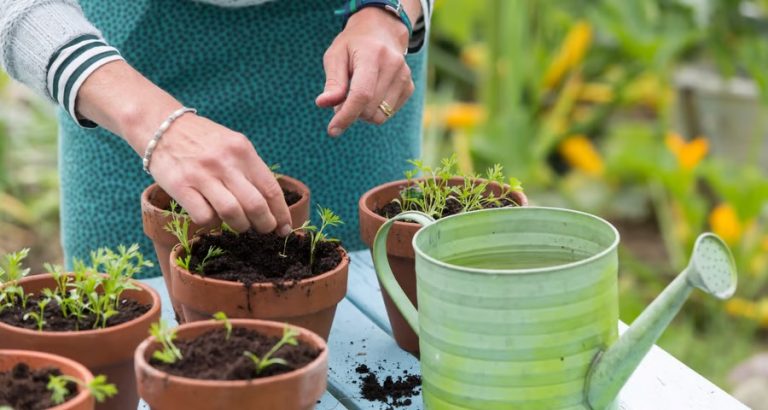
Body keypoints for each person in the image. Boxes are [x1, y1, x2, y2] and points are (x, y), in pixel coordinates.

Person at [0, 0, 432, 277]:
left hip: (344, 58)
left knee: (360, 317)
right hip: (122, 67)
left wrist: (386, 11)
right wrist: (151, 122)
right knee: (133, 323)